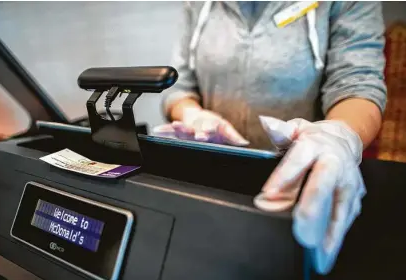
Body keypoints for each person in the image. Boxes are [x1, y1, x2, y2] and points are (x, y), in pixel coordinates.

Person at [153, 1, 387, 275]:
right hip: (215, 181)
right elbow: (180, 85)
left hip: (299, 183)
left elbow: (358, 82)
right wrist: (192, 114)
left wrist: (339, 137)